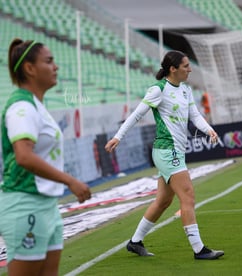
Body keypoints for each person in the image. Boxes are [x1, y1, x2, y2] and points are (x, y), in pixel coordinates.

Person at [105, 50, 224, 260]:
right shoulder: (158, 89)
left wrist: (209, 130)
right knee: (188, 195)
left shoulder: (185, 90)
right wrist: (118, 137)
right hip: (166, 150)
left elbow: (195, 116)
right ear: (173, 69)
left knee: (162, 201)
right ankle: (199, 249)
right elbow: (136, 115)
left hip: (176, 151)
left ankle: (135, 242)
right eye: (186, 66)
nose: (190, 69)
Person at [0, 39, 91, 276]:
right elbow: (23, 157)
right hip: (25, 203)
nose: (56, 67)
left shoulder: (36, 106)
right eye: (49, 61)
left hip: (47, 205)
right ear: (29, 68)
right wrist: (69, 180)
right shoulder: (22, 107)